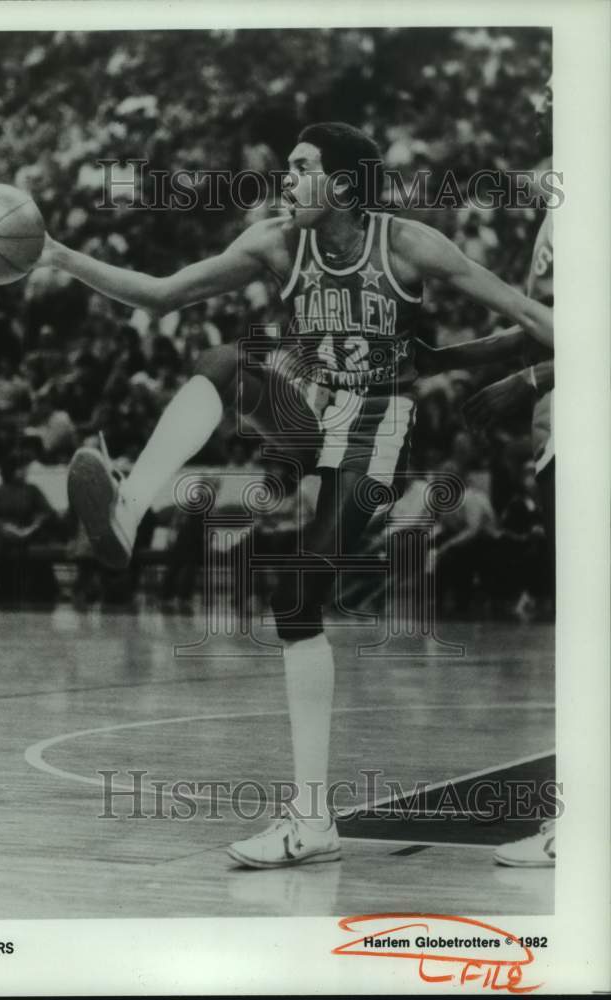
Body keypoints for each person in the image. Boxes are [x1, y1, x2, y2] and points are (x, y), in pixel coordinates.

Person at [35, 121, 553, 868]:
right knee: (221, 358)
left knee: (297, 596)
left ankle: (312, 821)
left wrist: (556, 359)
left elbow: (528, 313)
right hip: (309, 411)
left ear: (342, 185)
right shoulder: (277, 243)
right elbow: (160, 293)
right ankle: (127, 506)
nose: (282, 181)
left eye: (300, 168)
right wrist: (57, 253)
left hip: (378, 424)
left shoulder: (404, 243)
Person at [416, 78, 556, 866]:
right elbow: (539, 331)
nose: (538, 107)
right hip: (556, 430)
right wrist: (449, 359)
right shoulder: (554, 208)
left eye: (552, 94)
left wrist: (532, 383)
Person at [0, 455, 59, 607]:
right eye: (21, 469)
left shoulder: (32, 490)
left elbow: (47, 512)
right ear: (11, 471)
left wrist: (32, 526)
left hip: (29, 531)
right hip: (4, 531)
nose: (25, 472)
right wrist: (7, 528)